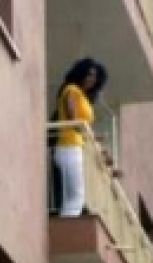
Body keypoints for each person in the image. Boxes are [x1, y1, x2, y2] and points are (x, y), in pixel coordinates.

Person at [53, 57, 109, 218]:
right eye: (89, 74)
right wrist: (90, 135)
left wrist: (96, 140)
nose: (92, 79)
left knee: (75, 196)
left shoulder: (84, 98)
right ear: (81, 72)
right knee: (76, 196)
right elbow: (73, 118)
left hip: (77, 147)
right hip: (68, 145)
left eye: (95, 77)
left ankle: (67, 222)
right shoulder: (71, 90)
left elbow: (83, 128)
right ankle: (67, 226)